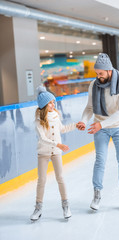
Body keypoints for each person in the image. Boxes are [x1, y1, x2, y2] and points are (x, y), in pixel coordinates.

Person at [77, 53, 119, 210]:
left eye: (100, 73)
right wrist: (83, 120)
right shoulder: (93, 85)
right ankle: (97, 194)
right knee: (100, 160)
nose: (98, 76)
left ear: (109, 71)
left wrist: (101, 125)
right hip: (99, 126)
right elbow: (89, 107)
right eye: (96, 73)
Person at [30, 86, 76, 221]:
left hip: (56, 152)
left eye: (53, 102)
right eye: (50, 102)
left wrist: (75, 125)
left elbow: (62, 129)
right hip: (43, 153)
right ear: (44, 105)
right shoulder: (38, 120)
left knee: (60, 178)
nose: (53, 104)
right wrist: (58, 144)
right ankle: (38, 208)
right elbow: (43, 139)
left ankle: (66, 205)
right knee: (42, 180)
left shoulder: (56, 115)